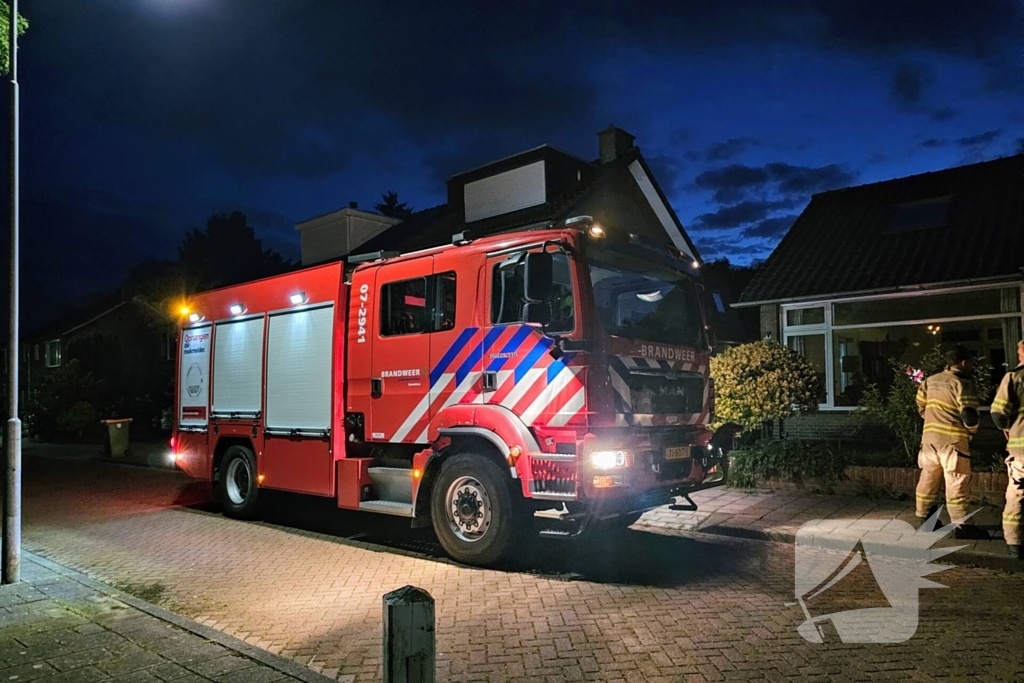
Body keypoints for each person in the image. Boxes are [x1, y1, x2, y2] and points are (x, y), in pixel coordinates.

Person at [914, 345, 990, 539]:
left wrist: (932, 420)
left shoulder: (930, 381)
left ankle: (925, 520)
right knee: (956, 482)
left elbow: (921, 406)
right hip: (953, 441)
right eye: (971, 361)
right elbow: (969, 415)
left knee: (928, 479)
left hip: (929, 440)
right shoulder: (962, 382)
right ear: (964, 363)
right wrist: (970, 432)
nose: (972, 364)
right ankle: (963, 526)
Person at [991, 339, 1024, 560]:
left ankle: (1015, 543)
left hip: (1022, 446)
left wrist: (1006, 429)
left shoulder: (1014, 377)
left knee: (1017, 493)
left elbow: (998, 413)